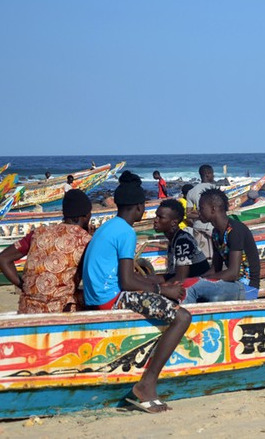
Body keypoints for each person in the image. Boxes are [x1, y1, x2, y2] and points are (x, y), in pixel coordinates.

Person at [82, 171, 190, 413]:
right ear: (140, 207)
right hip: (112, 298)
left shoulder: (107, 227)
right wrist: (163, 289)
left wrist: (157, 289)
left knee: (162, 298)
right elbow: (127, 280)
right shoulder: (127, 232)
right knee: (182, 317)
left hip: (96, 296)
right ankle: (147, 385)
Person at [0, 189, 93, 314]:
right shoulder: (85, 239)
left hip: (28, 308)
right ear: (85, 216)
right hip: (60, 310)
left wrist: (24, 286)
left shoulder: (38, 233)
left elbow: (2, 259)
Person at [197, 188, 260, 300]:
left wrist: (203, 281)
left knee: (200, 290)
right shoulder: (216, 233)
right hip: (232, 284)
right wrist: (195, 279)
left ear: (213, 209)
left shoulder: (235, 230)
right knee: (194, 287)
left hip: (247, 287)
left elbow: (233, 273)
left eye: (201, 208)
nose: (198, 212)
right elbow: (216, 269)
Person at [186, 165, 217, 262]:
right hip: (213, 227)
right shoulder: (215, 189)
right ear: (208, 174)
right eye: (212, 173)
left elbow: (188, 214)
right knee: (216, 257)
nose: (214, 176)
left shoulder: (191, 191)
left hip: (198, 226)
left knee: (202, 258)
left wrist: (200, 215)